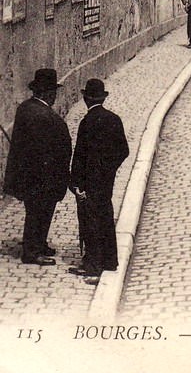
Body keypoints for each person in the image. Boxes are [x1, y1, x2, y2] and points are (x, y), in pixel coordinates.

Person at [2, 68, 71, 266]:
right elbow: (50, 150)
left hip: (27, 174)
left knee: (37, 211)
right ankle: (32, 252)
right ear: (48, 93)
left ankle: (39, 244)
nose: (55, 97)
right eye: (54, 93)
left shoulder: (24, 108)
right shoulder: (46, 117)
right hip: (41, 177)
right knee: (39, 212)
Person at [69, 78, 129, 283]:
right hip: (105, 182)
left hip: (88, 183)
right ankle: (110, 261)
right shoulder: (114, 119)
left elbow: (80, 156)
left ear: (86, 99)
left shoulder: (87, 123)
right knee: (105, 217)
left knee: (90, 222)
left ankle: (92, 265)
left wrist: (76, 183)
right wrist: (109, 170)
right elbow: (124, 150)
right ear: (102, 98)